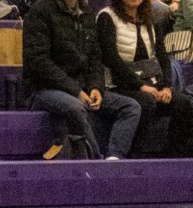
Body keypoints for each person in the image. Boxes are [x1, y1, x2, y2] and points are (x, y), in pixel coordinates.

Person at [23, 0, 144, 160]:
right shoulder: (40, 10)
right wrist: (76, 91)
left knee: (131, 107)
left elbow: (95, 58)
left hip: (82, 87)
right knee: (75, 107)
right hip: (43, 89)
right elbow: (38, 62)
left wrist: (96, 88)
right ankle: (96, 161)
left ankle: (114, 159)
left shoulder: (87, 13)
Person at [96, 0, 193, 156]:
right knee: (146, 102)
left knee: (184, 103)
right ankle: (133, 157)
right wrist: (140, 86)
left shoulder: (150, 19)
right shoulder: (106, 17)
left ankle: (176, 156)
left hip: (151, 82)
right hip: (119, 84)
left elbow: (162, 56)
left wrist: (167, 87)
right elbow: (110, 58)